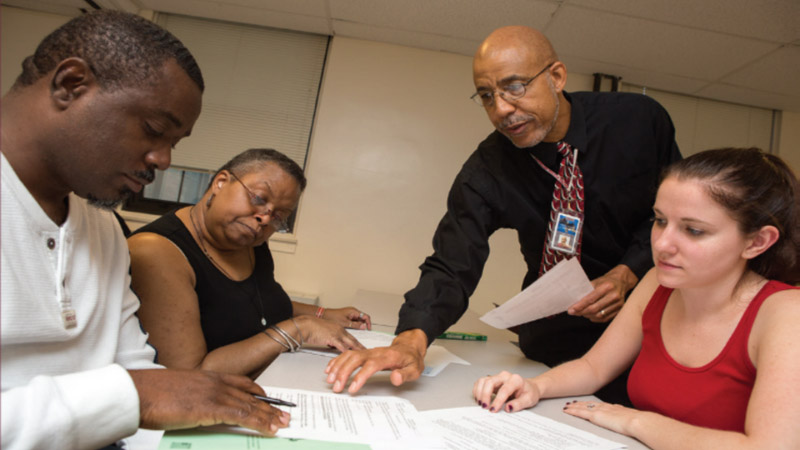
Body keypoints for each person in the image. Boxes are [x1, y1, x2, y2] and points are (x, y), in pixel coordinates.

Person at [326, 25, 681, 403]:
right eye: (486, 96)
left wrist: (627, 272)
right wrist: (412, 339)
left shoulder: (638, 122)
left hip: (651, 324)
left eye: (514, 87)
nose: (501, 109)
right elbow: (451, 263)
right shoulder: (488, 169)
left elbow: (676, 214)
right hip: (557, 339)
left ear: (556, 77)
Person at [0, 11, 290, 449]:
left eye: (174, 144)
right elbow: (136, 394)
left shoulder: (102, 228)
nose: (164, 160)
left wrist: (199, 411)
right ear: (71, 84)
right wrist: (131, 396)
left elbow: (138, 370)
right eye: (154, 131)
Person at [473, 148, 800, 449]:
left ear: (757, 242)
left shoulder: (786, 313)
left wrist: (635, 420)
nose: (662, 244)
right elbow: (593, 367)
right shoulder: (657, 283)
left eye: (693, 230)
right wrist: (535, 387)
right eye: (660, 221)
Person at [127, 148, 371, 378]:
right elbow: (189, 376)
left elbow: (255, 303)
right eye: (258, 198)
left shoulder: (249, 241)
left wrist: (322, 314)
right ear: (221, 183)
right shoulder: (157, 252)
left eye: (278, 216)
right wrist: (299, 329)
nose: (264, 218)